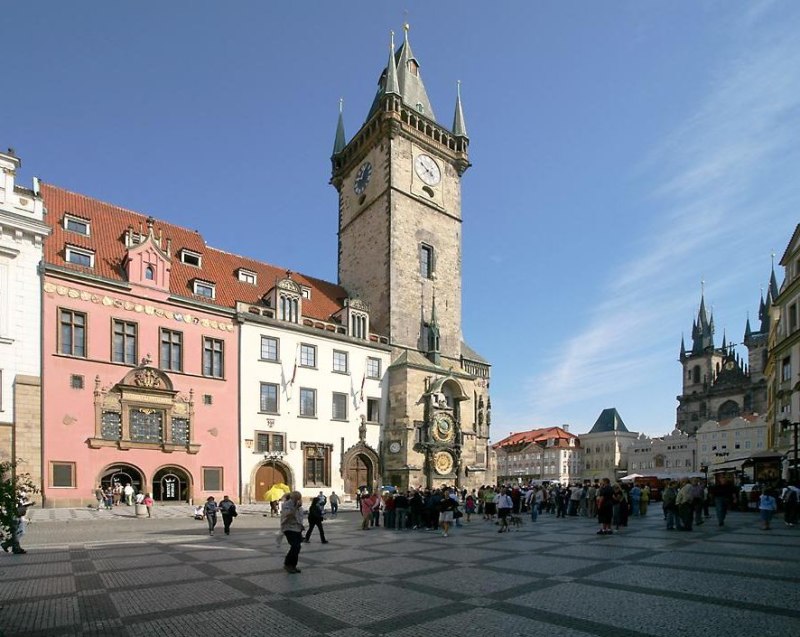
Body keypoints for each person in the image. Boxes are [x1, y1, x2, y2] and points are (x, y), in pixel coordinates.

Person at [281, 491, 304, 573]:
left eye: (299, 498)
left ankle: (293, 565)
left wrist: (301, 526)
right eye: (297, 498)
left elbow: (300, 517)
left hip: (297, 528)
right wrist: (295, 508)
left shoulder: (299, 506)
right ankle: (287, 564)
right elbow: (288, 515)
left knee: (297, 547)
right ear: (292, 498)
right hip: (288, 528)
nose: (298, 500)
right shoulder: (286, 505)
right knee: (295, 546)